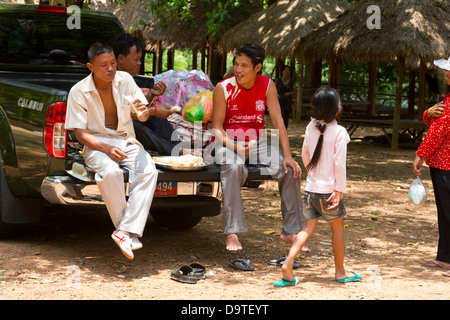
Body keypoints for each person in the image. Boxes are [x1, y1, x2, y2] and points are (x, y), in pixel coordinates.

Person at [65, 43, 158, 260]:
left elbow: (141, 114)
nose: (111, 69)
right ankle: (127, 231)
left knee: (149, 171)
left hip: (125, 140)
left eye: (113, 63)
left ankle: (123, 231)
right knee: (110, 172)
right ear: (90, 66)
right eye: (104, 65)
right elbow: (80, 133)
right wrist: (106, 148)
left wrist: (151, 111)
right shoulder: (78, 91)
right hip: (96, 145)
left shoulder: (125, 80)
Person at [212, 43, 306, 252]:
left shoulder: (267, 85)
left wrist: (288, 155)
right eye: (236, 64)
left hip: (258, 141)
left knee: (290, 169)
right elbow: (216, 127)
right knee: (234, 167)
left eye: (244, 65)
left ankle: (290, 231)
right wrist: (234, 146)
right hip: (228, 141)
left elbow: (278, 121)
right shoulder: (223, 88)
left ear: (257, 68)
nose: (238, 70)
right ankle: (232, 233)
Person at [274, 87, 361, 287]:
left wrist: (311, 173)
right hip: (330, 192)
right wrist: (339, 190)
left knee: (307, 229)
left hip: (311, 189)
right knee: (337, 230)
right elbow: (339, 163)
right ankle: (340, 271)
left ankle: (288, 262)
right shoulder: (340, 132)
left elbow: (305, 153)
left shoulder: (310, 127)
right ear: (337, 109)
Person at [112, 33, 179, 155]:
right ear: (121, 59)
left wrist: (152, 94)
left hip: (129, 120)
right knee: (135, 125)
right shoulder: (109, 79)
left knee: (158, 120)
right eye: (136, 59)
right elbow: (120, 113)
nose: (139, 63)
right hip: (115, 128)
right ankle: (176, 152)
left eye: (140, 59)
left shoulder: (128, 79)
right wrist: (153, 111)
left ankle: (177, 148)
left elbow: (138, 105)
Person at [413, 56, 450, 277]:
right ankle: (445, 257)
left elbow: (438, 131)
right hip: (441, 164)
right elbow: (434, 122)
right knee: (445, 212)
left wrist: (420, 154)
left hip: (446, 166)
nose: (446, 74)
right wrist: (428, 113)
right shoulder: (446, 100)